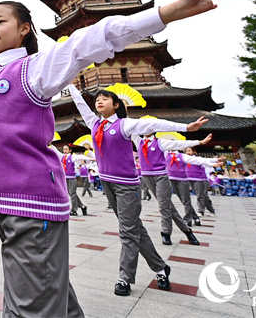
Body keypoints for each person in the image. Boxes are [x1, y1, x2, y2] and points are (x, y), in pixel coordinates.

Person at [0, 0, 225, 316]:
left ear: (24, 30)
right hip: (0, 200)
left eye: (0, 21)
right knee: (43, 288)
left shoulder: (34, 69)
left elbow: (90, 40)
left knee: (28, 304)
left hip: (33, 202)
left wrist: (165, 13)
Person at [69, 85, 220, 296]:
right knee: (134, 228)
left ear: (116, 105)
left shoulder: (125, 125)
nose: (99, 101)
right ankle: (160, 267)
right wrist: (69, 84)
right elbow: (80, 104)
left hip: (126, 186)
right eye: (97, 100)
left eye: (105, 98)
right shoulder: (94, 124)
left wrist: (187, 128)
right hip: (107, 184)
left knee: (127, 231)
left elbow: (153, 122)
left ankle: (124, 278)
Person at [137, 132, 210, 245]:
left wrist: (200, 142)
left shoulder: (161, 142)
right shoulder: (138, 140)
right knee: (168, 205)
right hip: (146, 176)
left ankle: (166, 232)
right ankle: (187, 230)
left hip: (161, 176)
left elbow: (180, 145)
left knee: (163, 206)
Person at [184, 147, 222, 216]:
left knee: (200, 195)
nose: (188, 152)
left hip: (200, 178)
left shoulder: (198, 158)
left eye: (189, 150)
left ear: (194, 151)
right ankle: (211, 209)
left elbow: (207, 160)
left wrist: (216, 159)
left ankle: (201, 211)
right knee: (203, 196)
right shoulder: (185, 159)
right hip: (190, 178)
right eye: (186, 151)